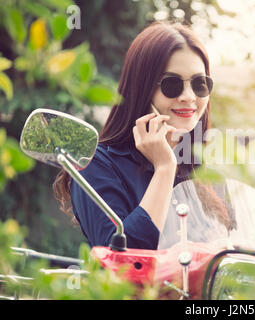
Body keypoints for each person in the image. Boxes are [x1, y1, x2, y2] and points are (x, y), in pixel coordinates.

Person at [53, 22, 214, 250]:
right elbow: (122, 262)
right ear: (142, 88)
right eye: (171, 84)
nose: (188, 96)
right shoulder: (94, 165)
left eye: (199, 83)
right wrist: (165, 168)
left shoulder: (201, 172)